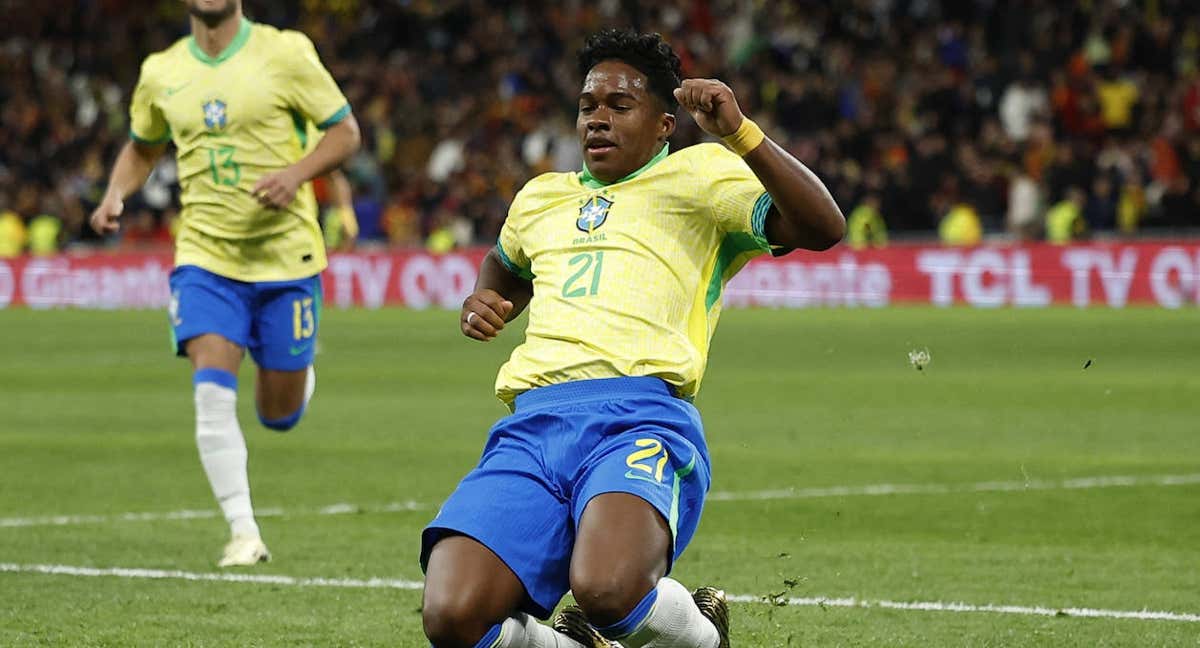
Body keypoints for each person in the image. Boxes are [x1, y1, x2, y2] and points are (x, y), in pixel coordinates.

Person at [420, 29, 844, 648]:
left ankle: (704, 641)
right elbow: (504, 267)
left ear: (664, 123)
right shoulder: (542, 198)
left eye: (620, 106)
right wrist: (489, 300)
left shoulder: (703, 177)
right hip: (531, 426)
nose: (597, 119)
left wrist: (740, 133)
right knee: (452, 617)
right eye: (588, 105)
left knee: (608, 590)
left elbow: (823, 226)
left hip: (638, 418)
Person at [88, 0, 360, 567]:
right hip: (205, 260)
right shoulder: (160, 71)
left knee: (278, 415)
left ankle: (296, 369)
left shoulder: (285, 53)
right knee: (211, 395)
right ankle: (243, 531)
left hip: (286, 261)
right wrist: (117, 191)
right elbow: (143, 147)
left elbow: (344, 133)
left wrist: (295, 175)